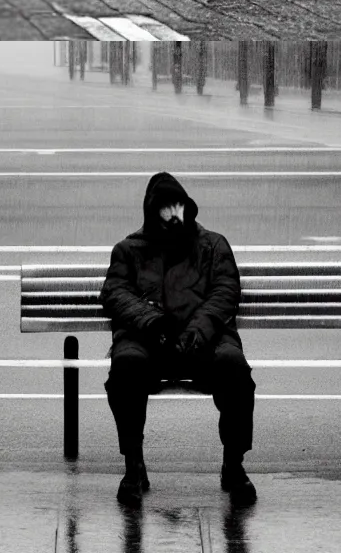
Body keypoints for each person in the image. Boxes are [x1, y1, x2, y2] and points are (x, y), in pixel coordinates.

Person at [100, 171, 256, 508]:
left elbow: (225, 291)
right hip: (149, 341)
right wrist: (154, 322)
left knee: (234, 368)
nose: (174, 214)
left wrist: (196, 332)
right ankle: (133, 465)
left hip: (204, 341)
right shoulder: (129, 249)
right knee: (126, 366)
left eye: (179, 206)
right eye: (165, 208)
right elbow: (115, 292)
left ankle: (234, 464)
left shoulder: (212, 245)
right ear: (151, 212)